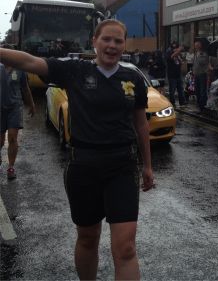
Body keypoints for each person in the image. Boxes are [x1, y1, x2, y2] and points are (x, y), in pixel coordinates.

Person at [0, 19, 154, 280]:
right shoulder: (74, 70)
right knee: (87, 238)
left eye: (118, 41)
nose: (112, 45)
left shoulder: (133, 78)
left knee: (126, 248)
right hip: (84, 167)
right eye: (106, 39)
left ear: (124, 45)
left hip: (122, 167)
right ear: (94, 41)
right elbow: (28, 61)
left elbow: (141, 126)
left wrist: (148, 167)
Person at [0, 61, 35, 179]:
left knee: (12, 137)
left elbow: (25, 88)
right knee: (0, 140)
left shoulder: (19, 69)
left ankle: (10, 167)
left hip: (15, 107)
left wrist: (31, 104)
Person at [192, 39, 211, 112]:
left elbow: (203, 62)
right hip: (196, 74)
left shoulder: (203, 53)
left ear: (201, 45)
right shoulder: (196, 53)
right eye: (195, 44)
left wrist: (198, 56)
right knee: (197, 91)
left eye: (197, 44)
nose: (196, 46)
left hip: (202, 74)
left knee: (202, 91)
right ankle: (199, 106)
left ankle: (203, 107)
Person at [166, 42, 186, 106]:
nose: (176, 49)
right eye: (174, 48)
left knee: (181, 89)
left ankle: (182, 102)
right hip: (172, 75)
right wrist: (179, 50)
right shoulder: (169, 53)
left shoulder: (178, 56)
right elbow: (171, 57)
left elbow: (182, 62)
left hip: (178, 74)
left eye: (176, 48)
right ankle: (172, 102)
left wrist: (179, 55)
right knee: (172, 90)